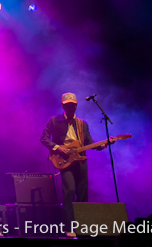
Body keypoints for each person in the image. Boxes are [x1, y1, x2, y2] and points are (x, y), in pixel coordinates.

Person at [40, 92, 114, 234]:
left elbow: (89, 143)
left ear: (76, 106)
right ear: (62, 105)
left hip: (80, 160)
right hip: (64, 160)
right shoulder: (54, 121)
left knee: (82, 192)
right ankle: (69, 228)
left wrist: (105, 144)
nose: (70, 107)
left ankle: (82, 227)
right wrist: (57, 147)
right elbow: (43, 138)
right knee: (69, 191)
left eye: (73, 105)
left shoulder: (82, 124)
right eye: (67, 105)